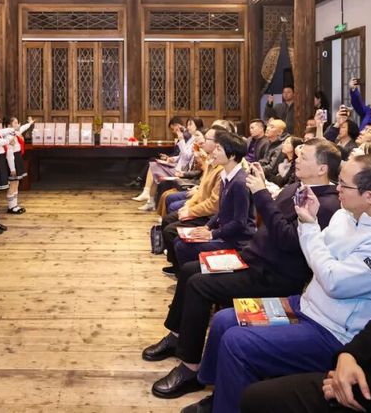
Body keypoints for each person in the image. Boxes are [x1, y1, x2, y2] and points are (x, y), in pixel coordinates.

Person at [177, 155, 371, 413]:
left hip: (335, 332)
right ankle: (221, 396)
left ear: (369, 196)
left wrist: (310, 228)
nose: (337, 188)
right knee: (224, 320)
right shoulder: (344, 216)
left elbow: (333, 281)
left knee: (237, 342)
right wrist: (309, 225)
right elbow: (315, 257)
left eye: (344, 185)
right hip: (307, 306)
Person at [143, 139, 342, 402]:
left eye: (304, 157)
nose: (297, 160)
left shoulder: (327, 205)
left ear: (322, 168)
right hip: (251, 258)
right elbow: (271, 222)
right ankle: (176, 335)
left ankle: (190, 367)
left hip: (273, 276)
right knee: (191, 270)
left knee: (199, 285)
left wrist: (261, 194)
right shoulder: (295, 187)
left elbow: (289, 241)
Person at [240, 188, 371, 413]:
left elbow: (334, 282)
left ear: (370, 195)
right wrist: (348, 357)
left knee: (240, 348)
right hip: (356, 367)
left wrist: (366, 391)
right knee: (255, 392)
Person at [171, 131, 257, 267]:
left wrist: (212, 234)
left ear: (232, 156)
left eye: (219, 149)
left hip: (236, 241)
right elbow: (222, 210)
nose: (214, 152)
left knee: (182, 246)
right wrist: (207, 227)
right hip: (225, 234)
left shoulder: (240, 182)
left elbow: (239, 223)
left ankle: (193, 274)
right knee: (178, 240)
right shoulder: (226, 176)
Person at [159, 127, 225, 275]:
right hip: (202, 209)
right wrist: (188, 205)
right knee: (168, 219)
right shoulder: (211, 162)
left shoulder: (221, 169)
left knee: (171, 230)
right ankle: (176, 264)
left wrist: (191, 211)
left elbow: (214, 205)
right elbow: (201, 191)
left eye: (206, 139)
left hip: (209, 217)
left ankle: (180, 269)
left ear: (218, 144)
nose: (202, 141)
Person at [3, 115, 35, 214]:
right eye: (15, 123)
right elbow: (9, 154)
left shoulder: (15, 133)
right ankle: (11, 206)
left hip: (17, 158)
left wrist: (30, 123)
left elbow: (23, 127)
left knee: (16, 184)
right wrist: (12, 168)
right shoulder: (8, 137)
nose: (18, 124)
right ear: (9, 125)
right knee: (12, 184)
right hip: (13, 161)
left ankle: (15, 205)